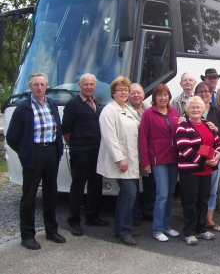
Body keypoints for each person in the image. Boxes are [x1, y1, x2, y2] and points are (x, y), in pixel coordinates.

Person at [6, 73, 66, 250]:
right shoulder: (23, 108)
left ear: (47, 86)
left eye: (42, 84)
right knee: (29, 196)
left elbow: (57, 129)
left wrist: (57, 151)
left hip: (51, 152)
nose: (39, 87)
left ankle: (51, 230)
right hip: (33, 153)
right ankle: (27, 236)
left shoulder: (52, 104)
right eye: (36, 84)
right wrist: (25, 152)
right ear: (30, 87)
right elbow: (12, 137)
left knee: (50, 194)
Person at [62, 73, 108, 237]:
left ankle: (92, 216)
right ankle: (74, 221)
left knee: (95, 184)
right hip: (80, 150)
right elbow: (66, 130)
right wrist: (74, 146)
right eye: (86, 84)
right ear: (80, 86)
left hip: (96, 150)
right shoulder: (73, 104)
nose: (89, 87)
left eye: (91, 84)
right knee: (78, 185)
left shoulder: (95, 102)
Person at [97, 76, 140, 246]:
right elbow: (110, 138)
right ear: (113, 93)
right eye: (120, 90)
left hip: (131, 158)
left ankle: (121, 227)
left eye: (126, 90)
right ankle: (124, 231)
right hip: (121, 160)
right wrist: (119, 158)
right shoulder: (109, 110)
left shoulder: (128, 109)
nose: (124, 92)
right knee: (129, 194)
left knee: (125, 195)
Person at [176, 96, 220, 246]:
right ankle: (189, 232)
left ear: (203, 110)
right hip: (190, 171)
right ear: (187, 110)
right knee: (190, 202)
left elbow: (218, 141)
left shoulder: (207, 124)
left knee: (203, 200)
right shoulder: (183, 126)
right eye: (192, 107)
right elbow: (184, 148)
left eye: (198, 107)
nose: (195, 110)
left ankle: (201, 229)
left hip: (206, 170)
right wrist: (204, 161)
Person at [139, 84, 180, 242]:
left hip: (173, 159)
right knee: (162, 194)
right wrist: (145, 161)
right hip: (158, 160)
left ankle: (167, 226)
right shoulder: (148, 114)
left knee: (170, 193)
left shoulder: (174, 112)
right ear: (154, 98)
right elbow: (143, 139)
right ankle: (157, 229)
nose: (163, 98)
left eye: (165, 95)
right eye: (159, 95)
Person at [194, 82, 220, 231]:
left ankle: (209, 219)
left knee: (212, 188)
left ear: (211, 94)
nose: (204, 94)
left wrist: (217, 129)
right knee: (197, 189)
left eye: (206, 91)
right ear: (196, 94)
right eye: (200, 92)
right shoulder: (192, 110)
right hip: (197, 157)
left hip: (215, 155)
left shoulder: (217, 111)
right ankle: (196, 217)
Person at [127, 83, 156, 226]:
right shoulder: (124, 110)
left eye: (139, 92)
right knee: (132, 185)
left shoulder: (150, 110)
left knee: (149, 183)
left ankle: (149, 211)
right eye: (132, 93)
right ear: (128, 95)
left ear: (144, 94)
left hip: (147, 153)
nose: (136, 95)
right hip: (131, 153)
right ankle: (134, 214)